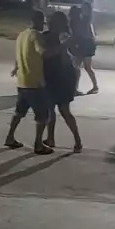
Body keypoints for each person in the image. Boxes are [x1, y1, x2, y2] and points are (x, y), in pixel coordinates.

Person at [5, 11, 53, 154]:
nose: (43, 25)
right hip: (35, 82)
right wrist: (61, 46)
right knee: (43, 116)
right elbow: (42, 52)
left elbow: (19, 56)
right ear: (37, 21)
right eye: (42, 22)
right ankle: (38, 144)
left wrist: (16, 68)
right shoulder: (36, 35)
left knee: (19, 112)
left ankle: (10, 137)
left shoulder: (21, 35)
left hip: (22, 81)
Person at [43, 11, 83, 152]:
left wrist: (62, 48)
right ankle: (51, 138)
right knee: (52, 109)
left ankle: (77, 141)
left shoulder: (64, 38)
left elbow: (65, 60)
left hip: (61, 77)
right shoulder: (51, 37)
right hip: (54, 76)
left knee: (62, 110)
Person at [76, 2, 99, 94]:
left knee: (81, 67)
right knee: (83, 67)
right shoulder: (86, 20)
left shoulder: (85, 20)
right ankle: (94, 86)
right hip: (86, 45)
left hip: (86, 45)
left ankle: (94, 86)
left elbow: (89, 34)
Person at [68, 5, 83, 94]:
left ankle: (73, 87)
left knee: (75, 68)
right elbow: (77, 35)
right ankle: (74, 88)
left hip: (72, 47)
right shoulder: (77, 23)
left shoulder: (70, 22)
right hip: (75, 47)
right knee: (76, 69)